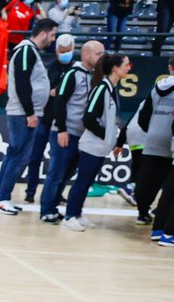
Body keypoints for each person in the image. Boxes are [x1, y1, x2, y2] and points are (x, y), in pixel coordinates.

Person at [0, 18, 58, 215]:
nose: (53, 39)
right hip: (22, 113)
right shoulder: (27, 50)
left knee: (14, 155)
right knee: (18, 157)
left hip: (24, 112)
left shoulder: (29, 51)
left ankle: (0, 198)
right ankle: (2, 198)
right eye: (53, 35)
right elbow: (22, 83)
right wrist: (30, 112)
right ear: (44, 33)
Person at [63, 53, 132, 232]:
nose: (129, 67)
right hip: (92, 145)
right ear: (115, 68)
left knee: (87, 182)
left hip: (100, 146)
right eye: (126, 64)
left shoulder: (111, 88)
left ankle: (77, 214)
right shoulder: (101, 88)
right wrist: (104, 135)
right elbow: (88, 118)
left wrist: (110, 139)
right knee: (82, 181)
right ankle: (69, 216)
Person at [40, 39, 103, 223]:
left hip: (82, 135)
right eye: (98, 53)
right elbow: (60, 101)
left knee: (66, 175)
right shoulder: (72, 74)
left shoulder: (94, 75)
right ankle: (47, 210)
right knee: (56, 173)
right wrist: (61, 129)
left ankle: (54, 207)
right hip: (66, 132)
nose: (102, 57)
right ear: (86, 55)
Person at [131, 51, 174, 228]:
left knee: (147, 180)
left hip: (153, 138)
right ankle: (162, 219)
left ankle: (142, 213)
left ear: (169, 67)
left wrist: (151, 130)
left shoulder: (156, 86)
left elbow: (143, 116)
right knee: (171, 187)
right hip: (173, 142)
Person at [23, 33, 72, 205]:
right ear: (57, 51)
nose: (66, 53)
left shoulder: (75, 69)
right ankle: (30, 191)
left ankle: (57, 193)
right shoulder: (48, 67)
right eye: (62, 50)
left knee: (60, 161)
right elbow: (47, 91)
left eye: (69, 50)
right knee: (35, 157)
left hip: (63, 122)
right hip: (45, 118)